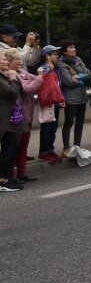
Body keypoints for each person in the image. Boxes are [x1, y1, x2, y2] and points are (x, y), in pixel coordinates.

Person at [9, 48, 43, 182]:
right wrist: (40, 77)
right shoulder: (9, 75)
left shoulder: (21, 72)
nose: (20, 61)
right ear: (9, 61)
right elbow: (27, 88)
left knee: (23, 146)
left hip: (27, 114)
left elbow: (35, 82)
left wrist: (41, 76)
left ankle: (22, 173)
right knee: (13, 147)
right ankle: (9, 175)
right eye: (17, 59)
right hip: (16, 116)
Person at [56, 40, 91, 158]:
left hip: (82, 96)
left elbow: (89, 73)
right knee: (69, 122)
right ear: (65, 51)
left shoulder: (78, 59)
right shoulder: (61, 63)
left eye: (74, 47)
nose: (74, 49)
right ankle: (66, 148)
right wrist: (81, 81)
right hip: (71, 98)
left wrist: (79, 77)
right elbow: (68, 81)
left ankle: (77, 146)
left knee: (80, 122)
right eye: (71, 47)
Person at [0, 51, 26, 192]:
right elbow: (10, 92)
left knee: (10, 147)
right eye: (3, 59)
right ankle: (4, 180)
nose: (6, 61)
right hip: (4, 119)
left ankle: (7, 177)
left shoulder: (4, 75)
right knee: (11, 147)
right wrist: (14, 79)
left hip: (9, 117)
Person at [37, 45, 63, 163]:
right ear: (47, 56)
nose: (57, 56)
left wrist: (61, 99)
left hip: (54, 101)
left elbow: (57, 86)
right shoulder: (43, 69)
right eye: (55, 54)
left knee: (53, 127)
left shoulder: (54, 69)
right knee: (47, 128)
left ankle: (50, 149)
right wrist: (48, 70)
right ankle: (44, 151)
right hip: (48, 102)